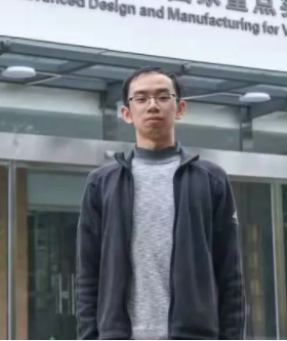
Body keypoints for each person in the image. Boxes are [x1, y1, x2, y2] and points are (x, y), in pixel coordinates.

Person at [76, 67, 246, 340]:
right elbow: (88, 275)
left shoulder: (210, 180)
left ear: (180, 108)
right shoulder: (102, 183)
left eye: (163, 97)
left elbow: (230, 276)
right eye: (141, 98)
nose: (152, 105)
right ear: (127, 113)